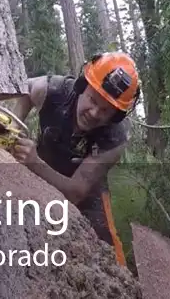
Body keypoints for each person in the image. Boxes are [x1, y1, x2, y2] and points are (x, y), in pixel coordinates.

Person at [9, 52, 141, 267]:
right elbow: (26, 89)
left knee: (108, 249)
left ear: (116, 116)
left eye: (106, 110)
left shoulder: (115, 137)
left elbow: (77, 192)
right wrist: (14, 126)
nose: (95, 113)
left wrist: (34, 163)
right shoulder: (55, 90)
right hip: (41, 167)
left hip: (86, 190)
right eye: (92, 100)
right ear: (82, 86)